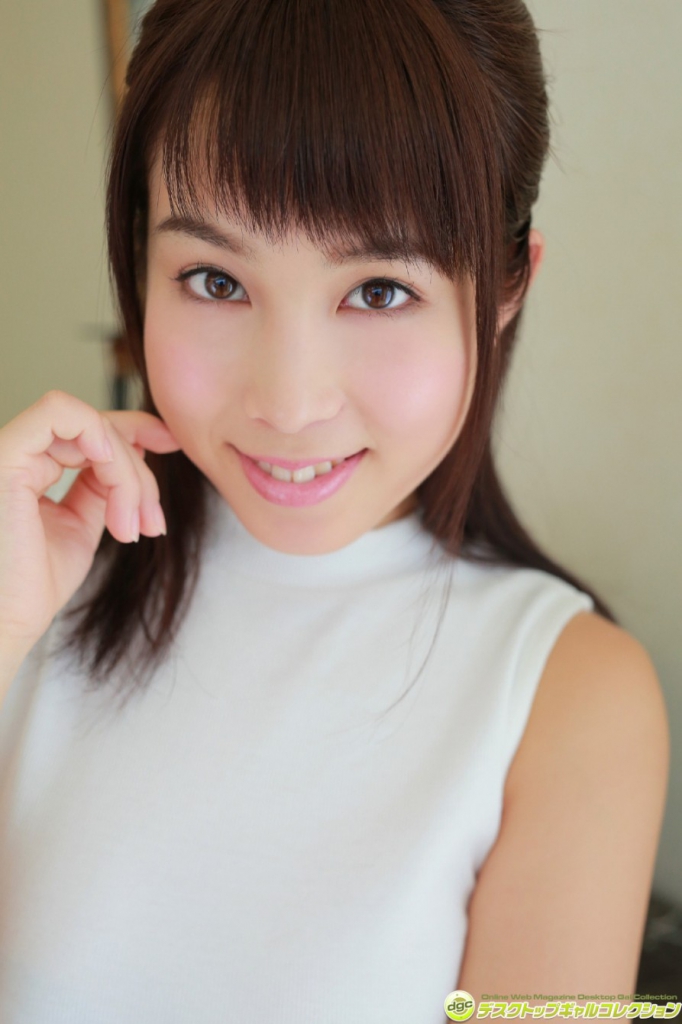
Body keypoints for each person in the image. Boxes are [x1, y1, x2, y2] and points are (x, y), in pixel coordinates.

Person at [0, 0, 669, 1020]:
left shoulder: (573, 702)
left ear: (505, 289)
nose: (289, 400)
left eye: (380, 290)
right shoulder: (32, 590)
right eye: (214, 279)